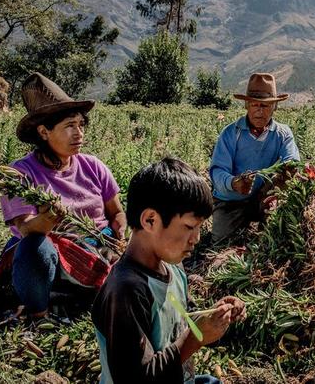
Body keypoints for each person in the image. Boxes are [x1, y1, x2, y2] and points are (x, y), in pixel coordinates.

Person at [0, 72, 125, 317]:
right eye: (69, 126)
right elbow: (26, 229)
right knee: (33, 248)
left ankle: (75, 296)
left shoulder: (93, 166)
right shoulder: (20, 174)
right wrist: (48, 220)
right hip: (48, 259)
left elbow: (117, 212)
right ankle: (39, 311)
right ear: (44, 132)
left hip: (95, 251)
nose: (79, 133)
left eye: (80, 125)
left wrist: (120, 232)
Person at [92, 157, 246, 384]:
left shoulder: (174, 267)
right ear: (150, 220)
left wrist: (215, 318)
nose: (197, 238)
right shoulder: (126, 290)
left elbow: (183, 319)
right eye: (189, 227)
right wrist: (195, 337)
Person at [208, 73, 300, 244]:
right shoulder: (230, 134)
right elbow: (217, 171)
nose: (259, 110)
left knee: (274, 240)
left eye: (265, 105)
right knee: (221, 241)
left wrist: (287, 173)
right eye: (255, 104)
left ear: (275, 107)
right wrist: (234, 182)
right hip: (232, 200)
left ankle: (267, 234)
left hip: (264, 198)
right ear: (246, 105)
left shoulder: (283, 134)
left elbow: (292, 162)